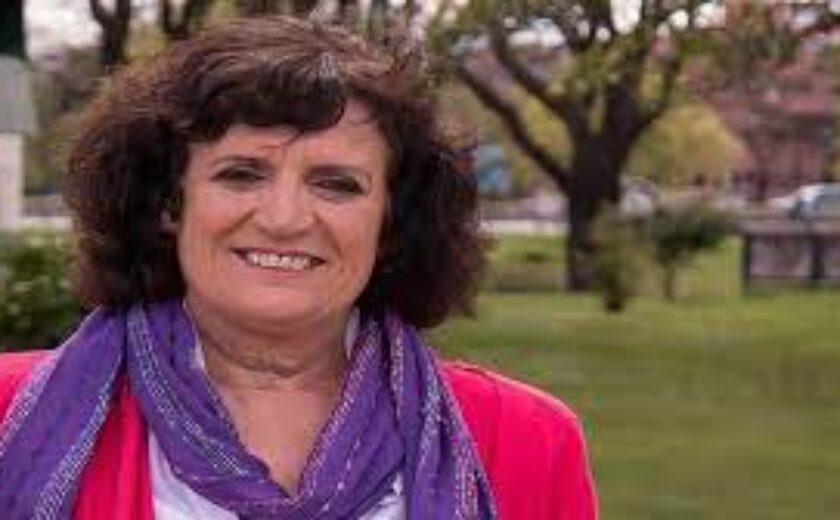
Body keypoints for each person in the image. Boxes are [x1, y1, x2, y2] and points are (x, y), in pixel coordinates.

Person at [0, 16, 597, 520]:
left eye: (336, 184)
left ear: (391, 222)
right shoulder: (9, 413)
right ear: (167, 204)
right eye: (241, 174)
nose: (284, 219)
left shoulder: (528, 439)